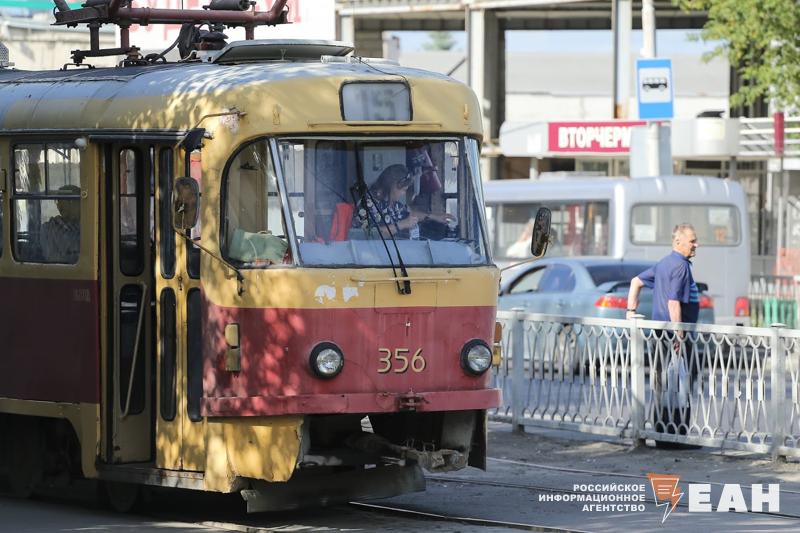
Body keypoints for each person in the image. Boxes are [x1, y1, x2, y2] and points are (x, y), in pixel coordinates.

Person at [626, 223, 700, 447]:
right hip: (674, 337)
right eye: (692, 241)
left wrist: (631, 311)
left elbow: (635, 282)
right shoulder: (680, 266)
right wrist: (679, 335)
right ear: (678, 242)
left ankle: (662, 436)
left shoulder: (664, 263)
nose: (696, 245)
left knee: (664, 385)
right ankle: (675, 439)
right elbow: (673, 302)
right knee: (680, 385)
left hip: (660, 336)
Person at [354, 164, 453, 239]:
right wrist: (402, 224)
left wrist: (433, 216)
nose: (404, 193)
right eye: (403, 189)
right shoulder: (368, 204)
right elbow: (370, 235)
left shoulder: (392, 202)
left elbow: (410, 214)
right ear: (392, 186)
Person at [40, 184, 81, 263]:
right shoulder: (48, 228)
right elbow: (52, 257)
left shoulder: (87, 226)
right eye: (58, 201)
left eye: (63, 200)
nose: (59, 205)